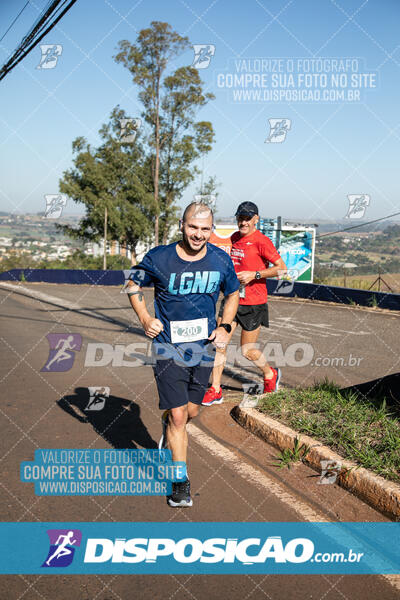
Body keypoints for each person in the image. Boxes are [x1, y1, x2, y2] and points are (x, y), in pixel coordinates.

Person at [127, 202, 239, 507]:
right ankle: (180, 481)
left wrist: (226, 325)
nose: (198, 234)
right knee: (179, 416)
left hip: (202, 349)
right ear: (181, 224)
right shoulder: (158, 257)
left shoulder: (220, 259)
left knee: (190, 412)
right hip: (166, 346)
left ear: (211, 230)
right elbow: (131, 284)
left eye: (205, 229)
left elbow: (232, 294)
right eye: (193, 227)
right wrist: (145, 319)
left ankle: (170, 422)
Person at [203, 201, 287, 406]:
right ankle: (215, 389)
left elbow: (282, 269)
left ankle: (270, 374)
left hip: (254, 303)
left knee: (247, 351)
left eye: (247, 218)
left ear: (256, 219)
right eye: (240, 218)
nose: (243, 222)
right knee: (219, 343)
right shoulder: (234, 238)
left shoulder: (262, 241)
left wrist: (254, 274)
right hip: (233, 299)